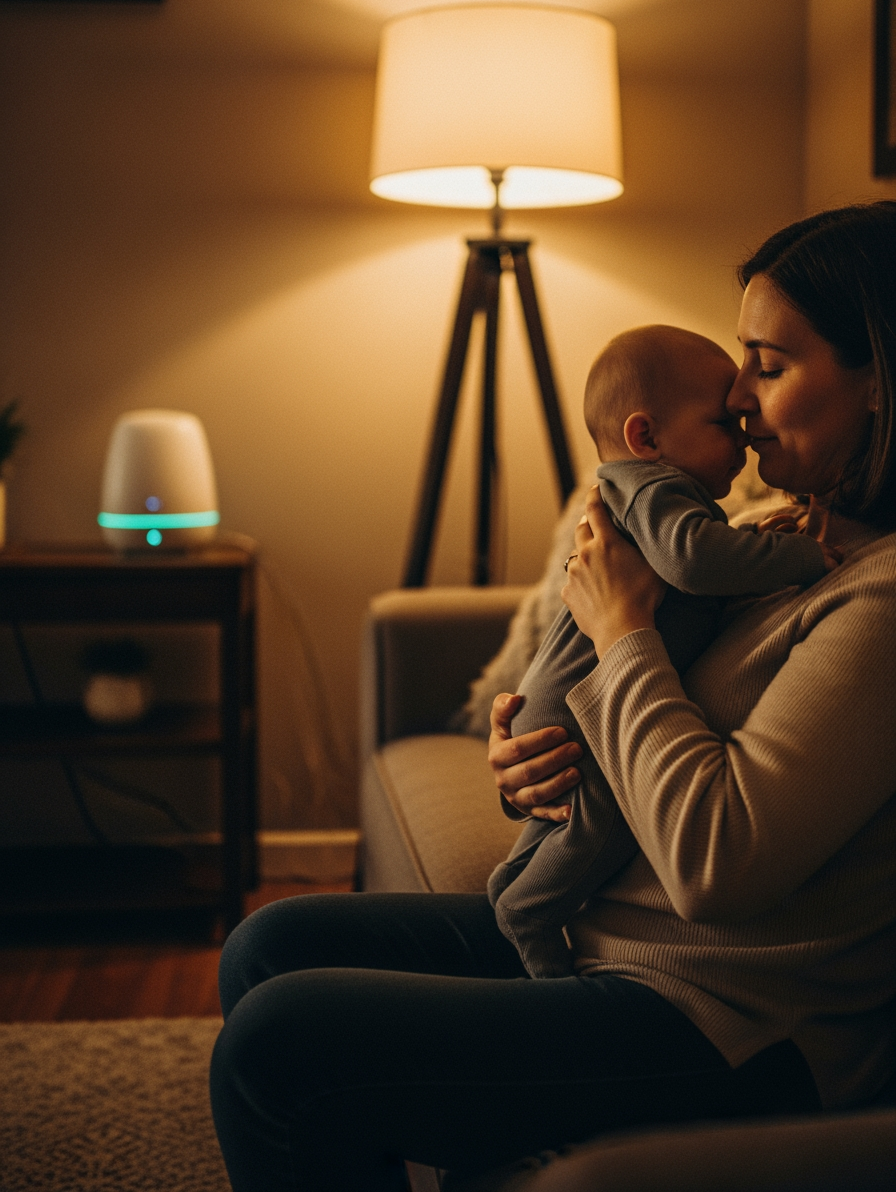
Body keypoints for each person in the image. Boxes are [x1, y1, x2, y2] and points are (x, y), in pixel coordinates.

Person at [209, 202, 896, 1192]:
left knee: (278, 1049)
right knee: (270, 944)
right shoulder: (771, 531)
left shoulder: (877, 602)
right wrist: (536, 747)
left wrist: (620, 632)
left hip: (724, 1016)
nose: (738, 399)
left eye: (769, 365)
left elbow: (715, 859)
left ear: (876, 378)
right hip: (601, 931)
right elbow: (635, 723)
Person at [489, 324, 838, 979]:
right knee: (594, 825)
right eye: (723, 418)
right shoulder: (659, 491)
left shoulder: (662, 495)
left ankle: (513, 893)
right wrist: (797, 553)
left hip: (576, 708)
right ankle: (529, 912)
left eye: (771, 367)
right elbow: (693, 559)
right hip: (580, 707)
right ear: (646, 438)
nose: (743, 424)